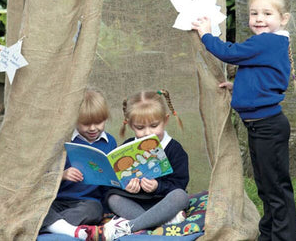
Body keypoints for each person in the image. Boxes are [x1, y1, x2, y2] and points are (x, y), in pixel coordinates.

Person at [192, 0, 296, 241]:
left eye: (267, 13)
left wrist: (206, 34)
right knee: (266, 186)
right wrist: (236, 86)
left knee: (275, 189)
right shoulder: (269, 44)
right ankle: (268, 235)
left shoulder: (268, 41)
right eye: (254, 13)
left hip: (268, 126)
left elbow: (229, 53)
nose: (259, 19)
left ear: (283, 19)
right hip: (259, 126)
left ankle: (283, 237)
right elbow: (261, 75)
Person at [102, 90, 189, 241]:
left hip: (163, 201)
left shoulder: (175, 149)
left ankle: (130, 227)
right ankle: (162, 221)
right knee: (112, 198)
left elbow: (179, 184)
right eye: (140, 128)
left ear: (165, 120)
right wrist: (126, 186)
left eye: (154, 125)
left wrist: (158, 186)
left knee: (180, 196)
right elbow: (115, 181)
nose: (148, 132)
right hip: (136, 203)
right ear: (130, 125)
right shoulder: (128, 147)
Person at [40, 89, 117, 240]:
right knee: (36, 208)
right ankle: (69, 230)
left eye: (99, 122)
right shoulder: (64, 141)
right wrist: (62, 175)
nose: (93, 128)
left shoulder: (110, 142)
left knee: (94, 211)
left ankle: (52, 226)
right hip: (57, 200)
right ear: (74, 120)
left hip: (88, 202)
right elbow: (44, 175)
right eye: (86, 124)